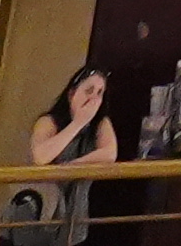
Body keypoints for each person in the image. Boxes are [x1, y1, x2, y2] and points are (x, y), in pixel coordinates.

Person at [26, 60, 128, 244]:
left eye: (100, 93)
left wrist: (70, 168)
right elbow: (41, 157)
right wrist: (78, 123)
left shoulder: (100, 124)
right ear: (72, 93)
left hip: (75, 216)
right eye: (89, 91)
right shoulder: (48, 122)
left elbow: (109, 153)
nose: (93, 99)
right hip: (39, 212)